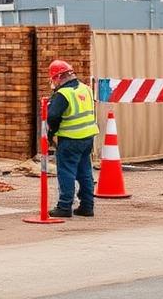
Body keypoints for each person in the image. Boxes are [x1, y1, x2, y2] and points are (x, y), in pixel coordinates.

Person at [46, 60, 99, 218]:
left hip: (70, 139)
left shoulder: (63, 94)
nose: (53, 82)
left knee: (66, 172)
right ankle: (87, 206)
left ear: (60, 77)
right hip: (87, 137)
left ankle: (64, 206)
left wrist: (51, 133)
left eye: (54, 78)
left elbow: (53, 116)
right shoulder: (86, 89)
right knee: (85, 172)